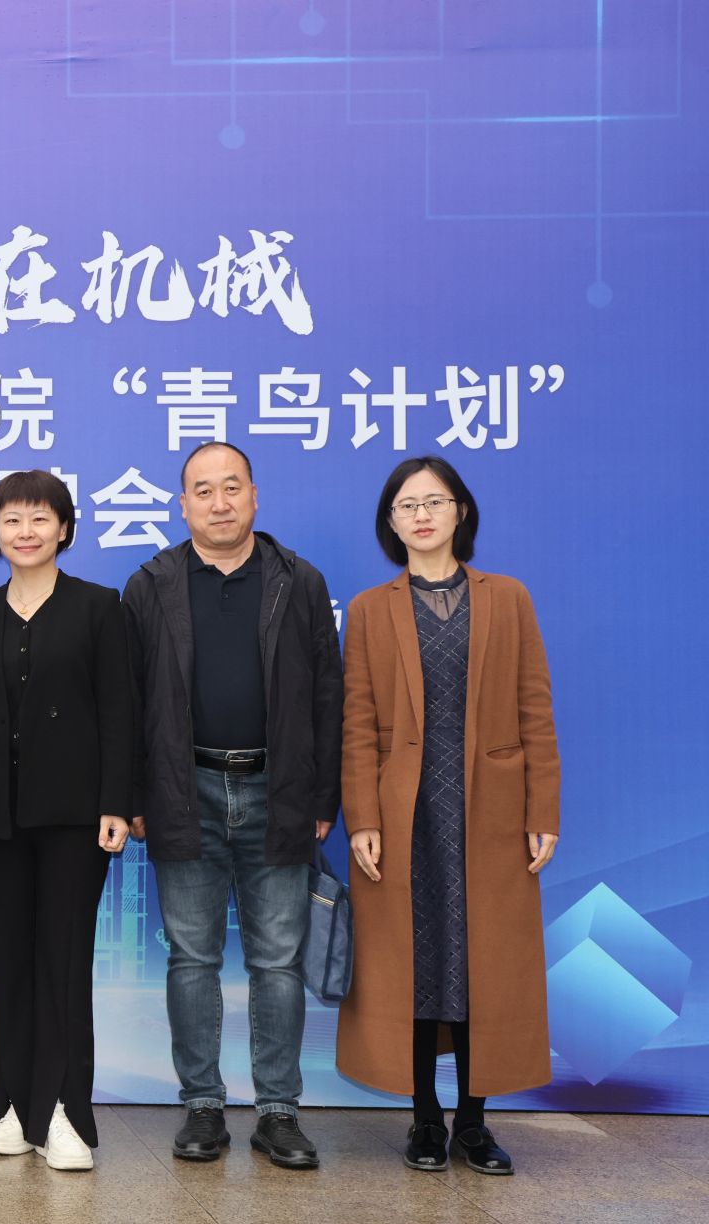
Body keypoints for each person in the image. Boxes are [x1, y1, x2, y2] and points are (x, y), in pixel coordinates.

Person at [337, 455, 561, 1176]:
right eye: (407, 505)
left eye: (435, 501)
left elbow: (535, 708)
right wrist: (362, 817)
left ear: (460, 511)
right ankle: (426, 1121)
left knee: (478, 966)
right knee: (413, 963)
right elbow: (358, 722)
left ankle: (473, 1122)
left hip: (489, 815)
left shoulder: (508, 598)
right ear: (391, 522)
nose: (422, 515)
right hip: (404, 816)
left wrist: (542, 809)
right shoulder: (370, 609)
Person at [123, 441, 340, 1169]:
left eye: (232, 487)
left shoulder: (298, 581)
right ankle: (202, 1107)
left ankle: (278, 1112)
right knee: (192, 958)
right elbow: (129, 701)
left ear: (254, 496)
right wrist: (136, 795)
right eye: (203, 490)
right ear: (182, 505)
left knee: (278, 961)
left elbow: (328, 693)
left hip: (278, 790)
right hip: (183, 789)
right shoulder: (150, 586)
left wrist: (323, 793)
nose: (219, 503)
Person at [0, 471, 133, 1171]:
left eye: (39, 518)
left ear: (64, 528)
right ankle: (10, 1106)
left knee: (62, 962)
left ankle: (65, 1113)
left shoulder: (99, 607)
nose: (25, 531)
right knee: (9, 962)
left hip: (75, 818)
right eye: (11, 520)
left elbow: (120, 711)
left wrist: (116, 802)